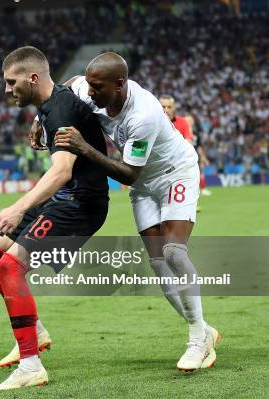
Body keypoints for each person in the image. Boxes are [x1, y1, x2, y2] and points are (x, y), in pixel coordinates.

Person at [53, 52, 220, 371]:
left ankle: (197, 339)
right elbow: (66, 88)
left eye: (97, 86)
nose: (90, 93)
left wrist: (84, 147)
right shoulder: (91, 89)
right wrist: (38, 121)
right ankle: (204, 329)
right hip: (144, 185)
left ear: (120, 85)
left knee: (173, 253)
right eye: (89, 84)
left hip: (174, 173)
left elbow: (128, 174)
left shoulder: (142, 114)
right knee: (158, 264)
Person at [0, 46, 109, 390]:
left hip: (80, 203)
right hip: (65, 198)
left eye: (11, 82)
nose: (7, 90)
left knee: (10, 266)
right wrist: (39, 119)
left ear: (32, 78)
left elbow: (62, 171)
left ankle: (31, 364)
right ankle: (34, 330)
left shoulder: (60, 109)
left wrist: (17, 207)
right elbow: (66, 86)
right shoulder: (53, 104)